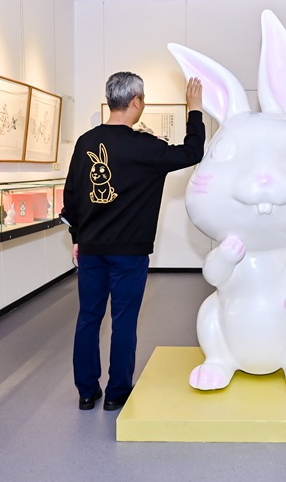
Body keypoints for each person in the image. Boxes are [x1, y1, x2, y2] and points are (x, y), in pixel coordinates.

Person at [61, 72, 204, 411]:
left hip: (92, 249)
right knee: (124, 321)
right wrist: (194, 109)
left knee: (89, 318)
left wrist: (77, 237)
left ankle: (86, 392)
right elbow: (192, 152)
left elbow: (72, 196)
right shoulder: (145, 147)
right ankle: (117, 392)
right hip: (129, 253)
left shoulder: (85, 142)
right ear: (136, 101)